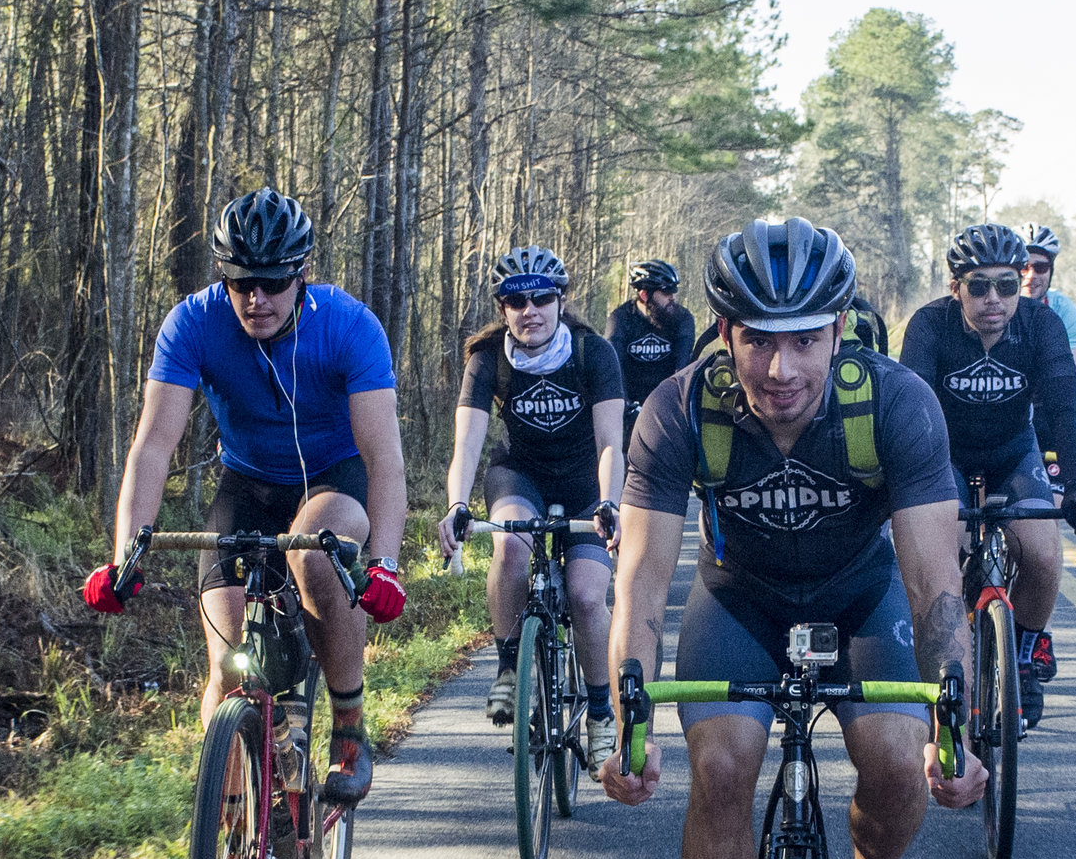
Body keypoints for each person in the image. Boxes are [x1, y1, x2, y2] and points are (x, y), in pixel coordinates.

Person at [601, 216, 987, 859]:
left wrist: (956, 721)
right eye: (759, 341)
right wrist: (627, 721)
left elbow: (935, 583)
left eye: (806, 341)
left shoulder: (895, 403)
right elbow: (642, 582)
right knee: (722, 767)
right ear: (724, 332)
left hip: (863, 599)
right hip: (740, 603)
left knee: (896, 760)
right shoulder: (678, 409)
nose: (782, 369)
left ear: (840, 330)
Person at [83, 187, 409, 805]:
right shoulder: (192, 323)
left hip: (332, 479)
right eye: (240, 283)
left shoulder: (349, 326)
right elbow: (152, 447)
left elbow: (385, 463)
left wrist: (385, 565)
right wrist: (125, 555)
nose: (256, 299)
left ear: (301, 273)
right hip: (247, 484)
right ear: (222, 276)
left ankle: (348, 721)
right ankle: (232, 822)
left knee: (314, 553)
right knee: (227, 664)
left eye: (272, 282)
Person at [901, 221, 1076, 729]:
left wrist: (1075, 488)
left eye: (1008, 284)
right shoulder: (929, 326)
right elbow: (910, 416)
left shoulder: (1041, 325)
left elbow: (1062, 412)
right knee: (941, 560)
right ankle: (947, 663)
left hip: (1013, 452)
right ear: (956, 288)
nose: (994, 298)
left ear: (1020, 284)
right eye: (979, 286)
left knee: (1043, 555)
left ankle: (1025, 657)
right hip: (944, 457)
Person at [437, 246, 626, 771]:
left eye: (541, 298)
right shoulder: (487, 359)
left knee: (586, 595)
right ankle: (508, 668)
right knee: (510, 546)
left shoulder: (593, 353)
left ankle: (600, 712)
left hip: (586, 481)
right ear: (502, 309)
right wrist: (457, 504)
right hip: (519, 473)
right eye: (516, 301)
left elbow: (612, 443)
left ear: (561, 301)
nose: (530, 311)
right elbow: (467, 445)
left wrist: (610, 502)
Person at [605, 260, 695, 427]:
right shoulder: (620, 319)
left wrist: (672, 403)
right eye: (666, 292)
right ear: (644, 294)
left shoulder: (682, 319)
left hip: (668, 401)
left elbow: (682, 368)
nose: (672, 297)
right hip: (629, 404)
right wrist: (627, 406)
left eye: (673, 291)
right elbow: (613, 369)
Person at [1020, 222, 1076, 377]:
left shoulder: (1064, 310)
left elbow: (1073, 376)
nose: (1031, 275)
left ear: (1051, 271)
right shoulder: (993, 308)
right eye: (1023, 267)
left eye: (1041, 268)